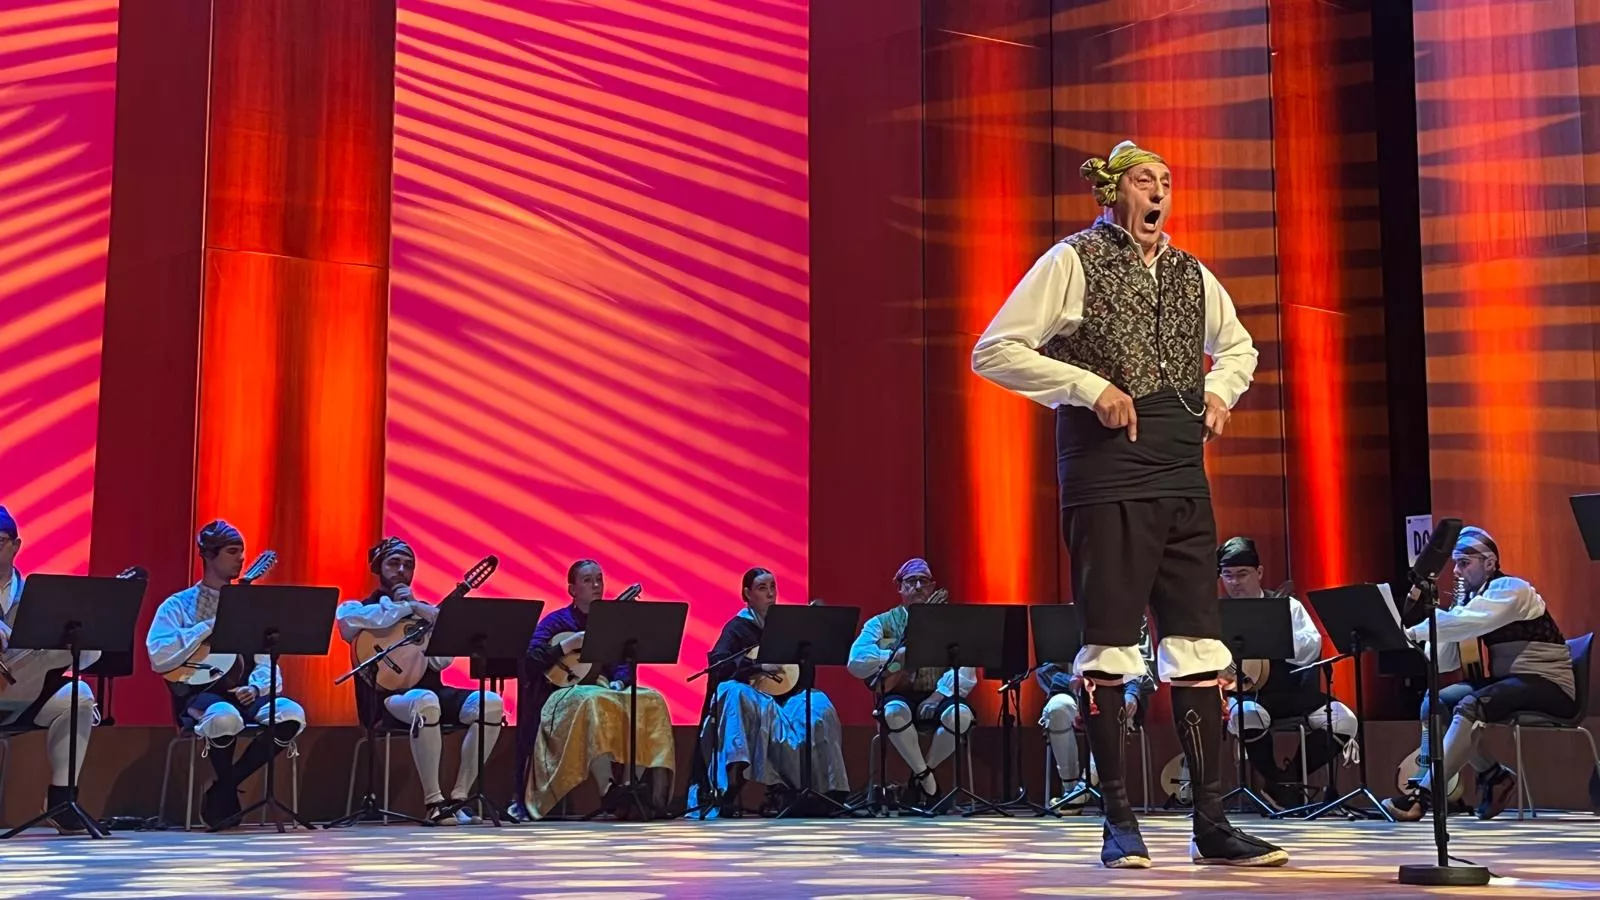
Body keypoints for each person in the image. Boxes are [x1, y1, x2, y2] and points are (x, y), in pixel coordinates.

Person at [973, 140, 1285, 867]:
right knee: (1111, 645)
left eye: (1168, 183)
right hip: (1107, 473)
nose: (1159, 194)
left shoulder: (1190, 274)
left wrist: (1218, 391)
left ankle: (1212, 824)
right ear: (1113, 193)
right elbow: (994, 349)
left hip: (1181, 472)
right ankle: (1119, 823)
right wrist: (1086, 387)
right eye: (1147, 182)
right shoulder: (1072, 261)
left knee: (1199, 647)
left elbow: (1239, 347)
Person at [1383, 526, 1576, 822]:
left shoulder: (1512, 589)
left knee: (1471, 705)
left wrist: (1412, 630)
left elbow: (1471, 622)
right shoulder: (1474, 600)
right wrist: (1437, 629)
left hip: (1549, 684)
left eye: (1464, 563)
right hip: (1511, 682)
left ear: (1489, 563)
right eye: (1456, 564)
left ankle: (1422, 797)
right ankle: (1493, 775)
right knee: (1436, 701)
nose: (1457, 572)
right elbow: (1445, 660)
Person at [147, 520, 307, 829]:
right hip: (198, 694)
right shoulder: (178, 605)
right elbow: (158, 654)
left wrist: (258, 688)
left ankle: (224, 787)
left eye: (242, 552)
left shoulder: (252, 608)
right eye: (232, 551)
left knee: (291, 715)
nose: (240, 558)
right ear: (208, 555)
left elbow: (266, 662)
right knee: (225, 717)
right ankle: (225, 793)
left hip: (245, 692)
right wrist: (210, 624)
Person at [335, 537, 504, 825]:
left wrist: (434, 626)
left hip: (431, 691)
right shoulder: (358, 607)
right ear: (379, 568)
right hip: (386, 700)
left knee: (490, 703)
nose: (401, 570)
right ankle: (433, 802)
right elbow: (350, 626)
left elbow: (441, 662)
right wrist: (409, 607)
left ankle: (458, 798)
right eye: (394, 563)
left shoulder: (427, 613)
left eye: (408, 565)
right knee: (426, 702)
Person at [515, 560, 674, 819]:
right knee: (592, 700)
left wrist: (620, 682)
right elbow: (531, 660)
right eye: (588, 580)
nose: (597, 585)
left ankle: (629, 787)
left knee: (651, 700)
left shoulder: (611, 624)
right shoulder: (556, 622)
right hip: (562, 696)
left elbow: (624, 662)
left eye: (599, 579)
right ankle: (607, 788)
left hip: (603, 689)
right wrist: (567, 645)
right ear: (572, 589)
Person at [689, 568, 849, 816]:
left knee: (820, 704)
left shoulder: (787, 626)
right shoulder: (737, 627)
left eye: (773, 587)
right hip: (757, 701)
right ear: (747, 594)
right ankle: (730, 783)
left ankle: (825, 791)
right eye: (763, 589)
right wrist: (757, 667)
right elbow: (719, 664)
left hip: (789, 701)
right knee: (731, 691)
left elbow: (803, 673)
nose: (771, 594)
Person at [1217, 536, 1357, 810]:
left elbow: (1312, 644)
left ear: (1259, 573)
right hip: (1248, 695)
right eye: (1228, 575)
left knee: (1345, 721)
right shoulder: (1217, 613)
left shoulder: (1286, 606)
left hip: (1290, 692)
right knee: (1247, 715)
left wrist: (1276, 636)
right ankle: (1278, 784)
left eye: (1242, 574)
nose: (1235, 582)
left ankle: (1285, 781)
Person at [0, 506, 101, 833]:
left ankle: (61, 799)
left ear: (16, 546)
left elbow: (84, 659)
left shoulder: (40, 595)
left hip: (25, 693)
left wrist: (80, 641)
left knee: (79, 695)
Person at [846, 558, 975, 810]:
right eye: (911, 581)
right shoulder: (880, 623)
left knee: (961, 716)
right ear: (900, 588)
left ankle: (918, 780)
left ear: (933, 587)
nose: (917, 586)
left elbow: (967, 672)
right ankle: (929, 783)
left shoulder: (951, 623)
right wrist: (897, 654)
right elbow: (856, 661)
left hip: (937, 694)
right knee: (893, 713)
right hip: (899, 693)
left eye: (923, 582)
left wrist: (937, 696)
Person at [1038, 616, 1155, 806]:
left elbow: (1143, 666)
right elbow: (1044, 670)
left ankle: (1081, 792)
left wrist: (1132, 693)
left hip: (1117, 691)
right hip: (1072, 692)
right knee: (1057, 708)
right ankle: (1071, 788)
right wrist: (1073, 682)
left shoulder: (1132, 615)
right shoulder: (1063, 618)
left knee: (1113, 709)